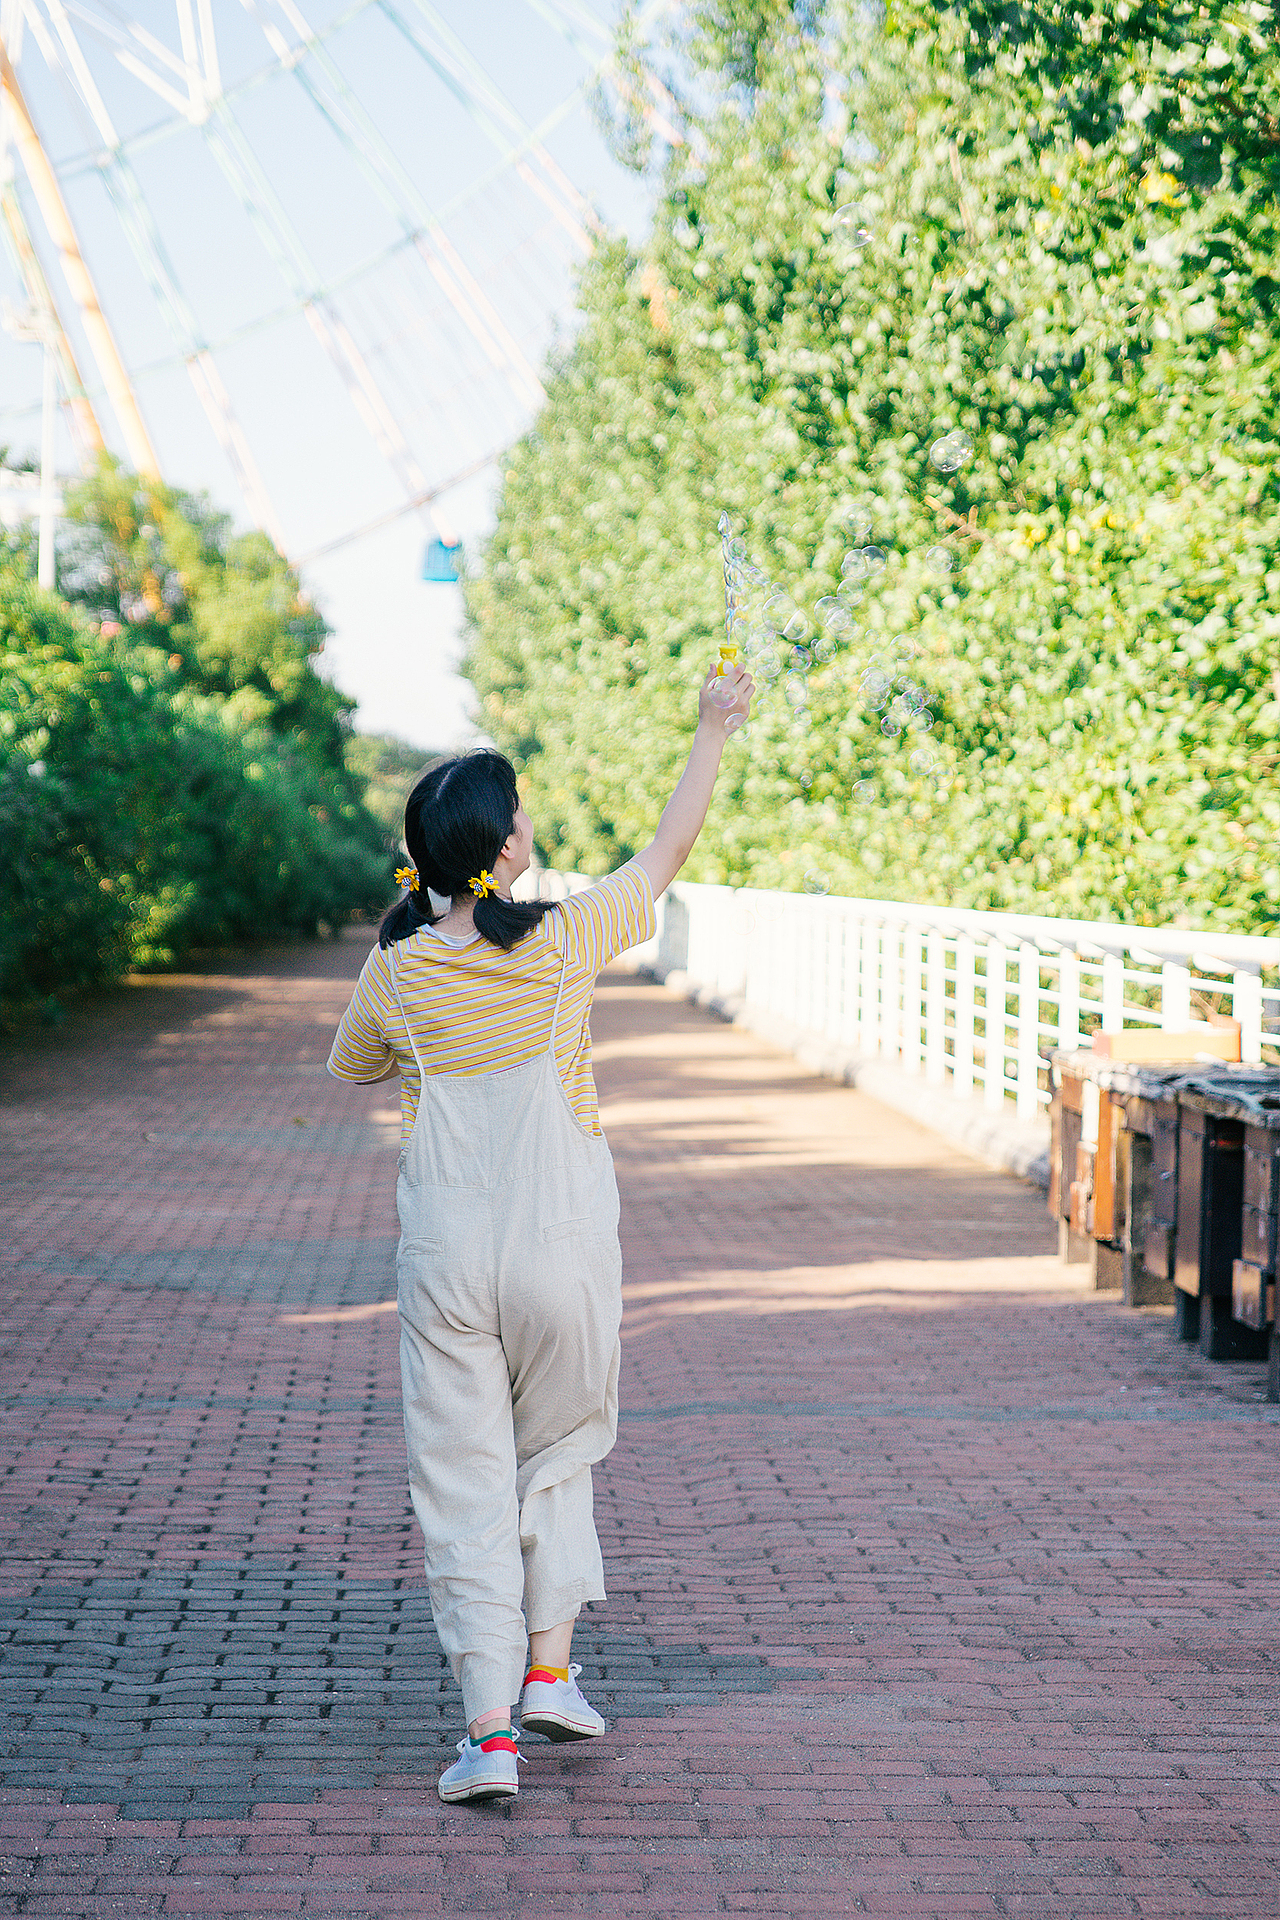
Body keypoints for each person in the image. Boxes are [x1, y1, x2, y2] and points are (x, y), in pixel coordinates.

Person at [326, 659, 753, 1803]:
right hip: (559, 1244)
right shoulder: (565, 942)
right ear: (505, 847)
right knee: (558, 1449)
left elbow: (351, 1064)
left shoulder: (397, 973)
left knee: (460, 1482)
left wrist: (412, 934)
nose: (527, 821)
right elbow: (667, 850)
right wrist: (711, 727)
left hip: (447, 1258)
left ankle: (489, 1736)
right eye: (516, 810)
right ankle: (551, 1674)